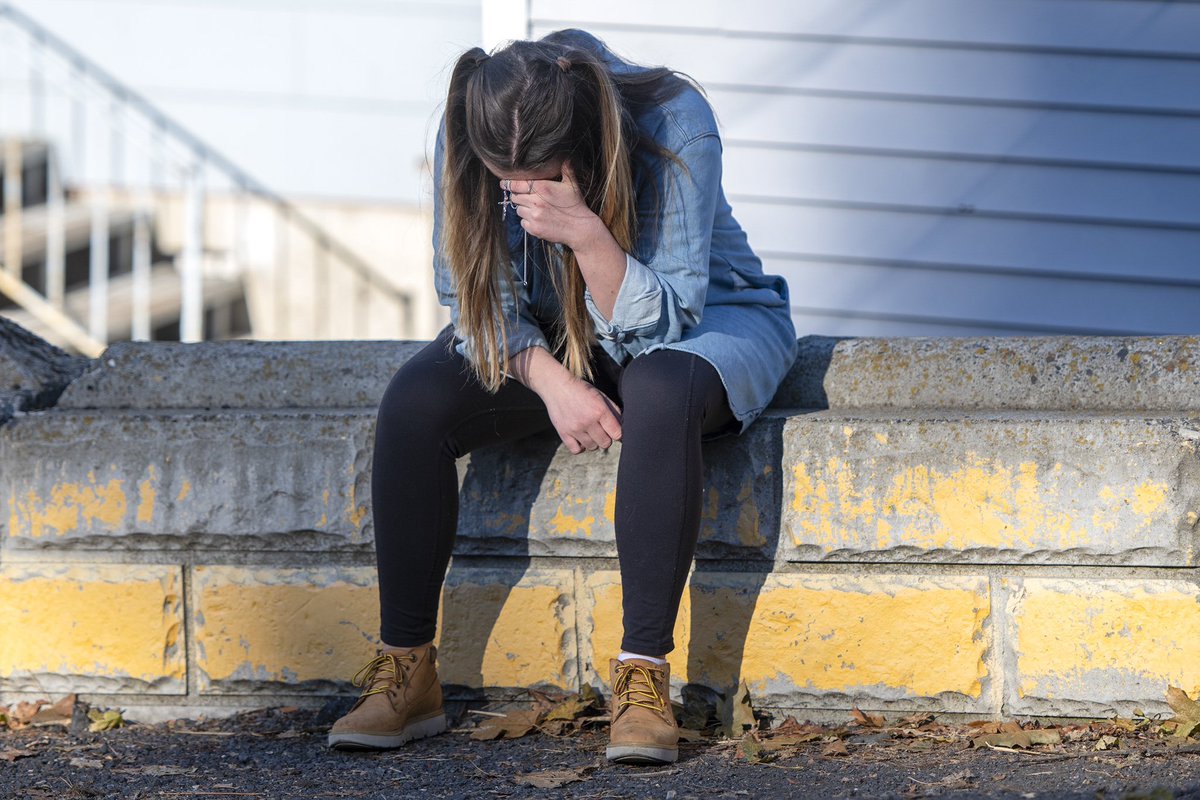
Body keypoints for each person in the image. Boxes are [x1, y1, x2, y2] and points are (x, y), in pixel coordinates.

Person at [327, 29, 797, 765]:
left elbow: (666, 321)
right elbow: (472, 298)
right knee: (414, 402)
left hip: (706, 322)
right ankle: (407, 670)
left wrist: (586, 235)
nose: (520, 194)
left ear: (581, 141)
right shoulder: (471, 124)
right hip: (554, 335)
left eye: (540, 177)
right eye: (504, 180)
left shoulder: (674, 119)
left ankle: (642, 678)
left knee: (660, 388)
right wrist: (553, 383)